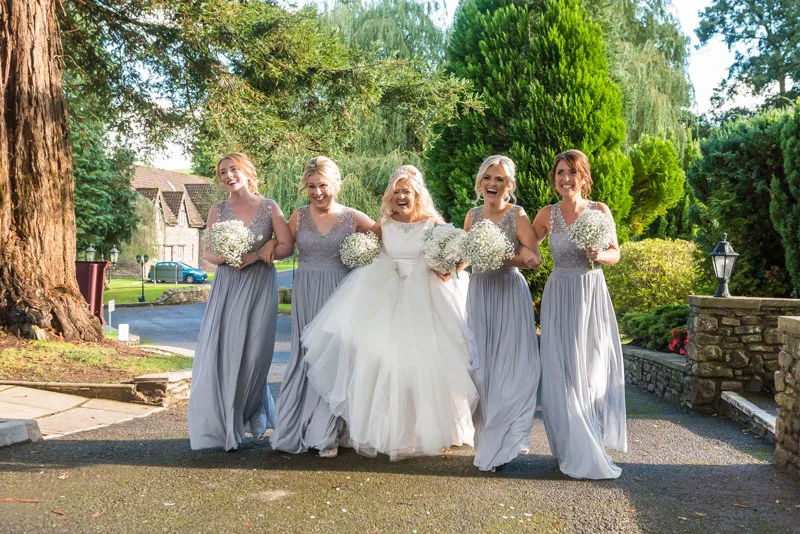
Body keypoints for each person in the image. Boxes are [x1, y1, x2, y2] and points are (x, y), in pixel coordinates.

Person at [300, 165, 478, 460]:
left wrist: (450, 269)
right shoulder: (384, 224)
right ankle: (394, 432)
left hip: (425, 298)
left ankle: (427, 431)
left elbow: (460, 250)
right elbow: (362, 246)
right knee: (387, 365)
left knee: (424, 365)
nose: (400, 197)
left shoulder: (432, 223)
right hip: (386, 295)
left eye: (406, 191)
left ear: (417, 194)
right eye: (396, 192)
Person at [531, 149, 627, 479]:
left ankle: (590, 444)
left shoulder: (599, 210)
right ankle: (570, 448)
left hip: (590, 295)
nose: (565, 178)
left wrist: (600, 254)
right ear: (554, 179)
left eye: (572, 172)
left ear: (584, 178)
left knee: (591, 369)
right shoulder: (547, 214)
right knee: (561, 372)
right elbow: (528, 246)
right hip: (559, 294)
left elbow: (616, 254)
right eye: (560, 172)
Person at [188, 153, 293, 451]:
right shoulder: (217, 210)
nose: (228, 176)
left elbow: (287, 246)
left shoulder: (269, 207)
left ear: (248, 173)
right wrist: (230, 256)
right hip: (228, 284)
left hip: (259, 285)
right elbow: (208, 254)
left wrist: (264, 250)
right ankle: (225, 423)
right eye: (223, 172)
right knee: (224, 349)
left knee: (254, 353)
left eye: (234, 169)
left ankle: (247, 411)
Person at [270, 156, 374, 458]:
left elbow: (385, 239)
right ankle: (297, 428)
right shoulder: (299, 216)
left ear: (336, 185)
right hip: (307, 290)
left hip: (341, 293)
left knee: (335, 357)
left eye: (323, 186)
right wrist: (263, 247)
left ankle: (329, 433)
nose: (317, 192)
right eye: (312, 186)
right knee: (306, 355)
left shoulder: (353, 217)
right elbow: (284, 246)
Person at [464, 155, 542, 472]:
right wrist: (446, 263)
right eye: (488, 178)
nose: (492, 184)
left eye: (499, 179)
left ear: (508, 185)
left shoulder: (517, 215)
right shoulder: (472, 215)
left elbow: (533, 257)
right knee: (480, 371)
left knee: (509, 371)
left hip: (509, 294)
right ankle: (486, 441)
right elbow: (466, 256)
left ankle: (502, 444)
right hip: (480, 293)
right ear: (480, 182)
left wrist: (504, 257)